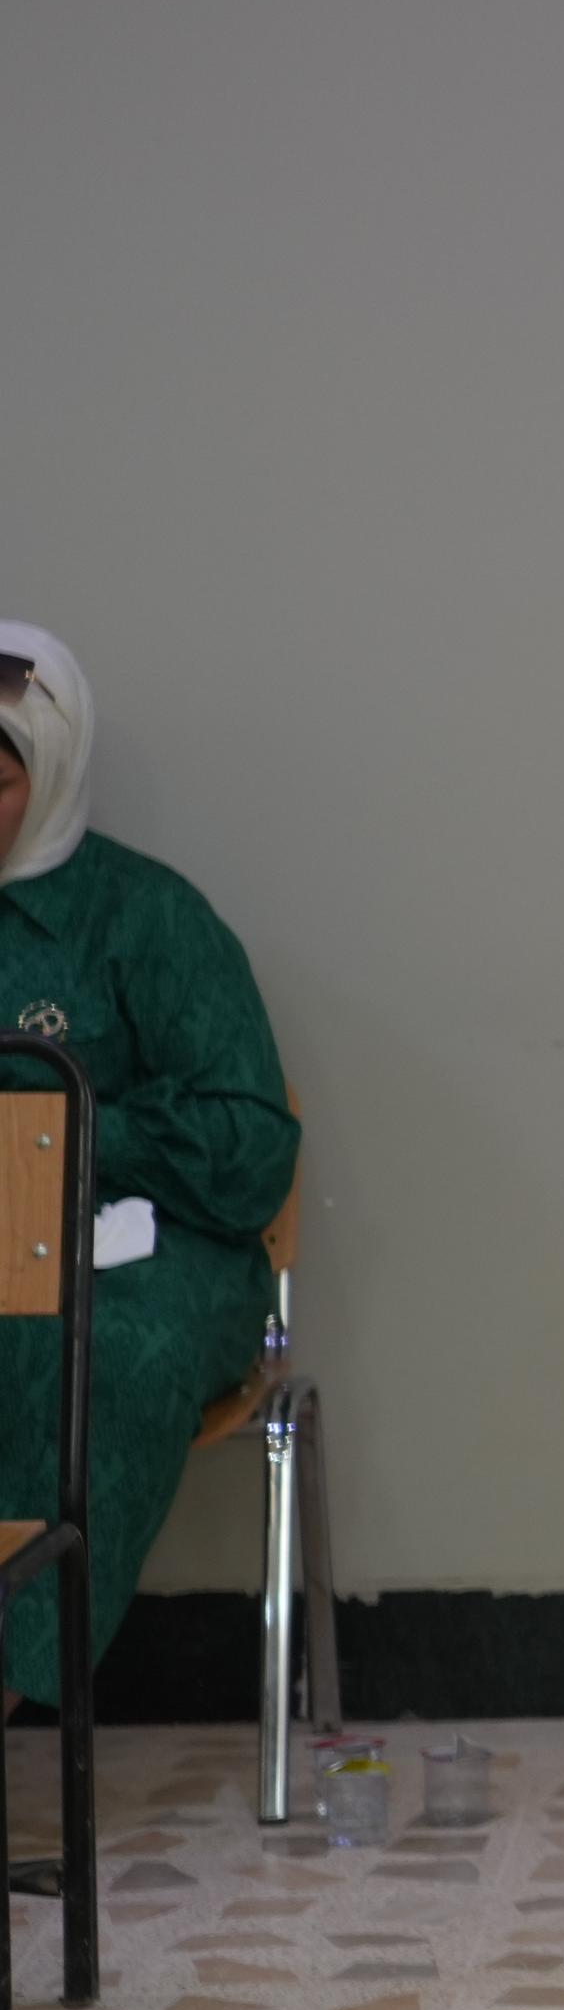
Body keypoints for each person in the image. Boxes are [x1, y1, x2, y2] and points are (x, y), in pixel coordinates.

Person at [0, 627, 299, 1718]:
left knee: (97, 1356)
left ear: (52, 774)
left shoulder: (147, 918)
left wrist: (55, 1133)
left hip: (151, 1255)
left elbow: (247, 1148)